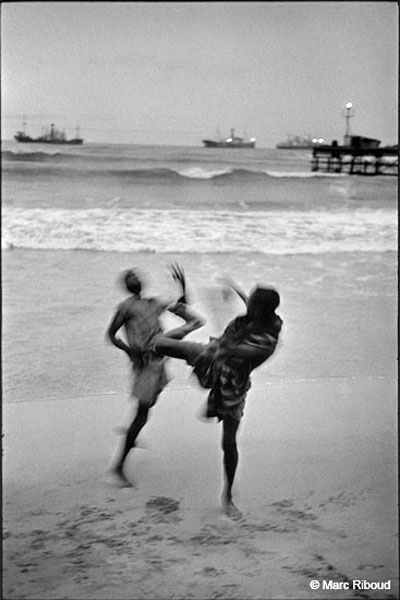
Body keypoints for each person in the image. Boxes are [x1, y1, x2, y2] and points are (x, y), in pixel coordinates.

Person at [153, 282, 283, 517]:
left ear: (260, 311)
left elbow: (237, 352)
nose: (248, 304)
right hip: (212, 358)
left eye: (252, 302)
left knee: (229, 444)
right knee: (159, 344)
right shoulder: (259, 318)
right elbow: (242, 321)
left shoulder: (266, 342)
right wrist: (237, 291)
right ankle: (175, 341)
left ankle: (228, 497)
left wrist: (223, 344)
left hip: (234, 384)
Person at [106, 263, 204, 487]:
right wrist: (129, 350)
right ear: (128, 286)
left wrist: (183, 284)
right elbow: (111, 335)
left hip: (158, 358)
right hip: (146, 361)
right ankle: (118, 466)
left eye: (136, 275)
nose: (135, 278)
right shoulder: (125, 308)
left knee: (146, 407)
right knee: (142, 412)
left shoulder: (151, 303)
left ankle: (132, 430)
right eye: (131, 276)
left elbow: (182, 303)